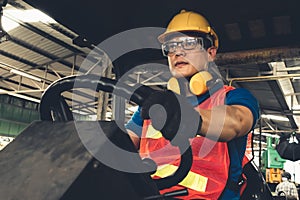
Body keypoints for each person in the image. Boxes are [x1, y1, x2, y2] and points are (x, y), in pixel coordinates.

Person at [125, 10, 260, 199]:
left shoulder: (235, 98)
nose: (178, 52)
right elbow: (124, 145)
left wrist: (188, 117)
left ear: (210, 53)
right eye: (171, 46)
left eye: (189, 43)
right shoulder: (150, 105)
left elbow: (236, 122)